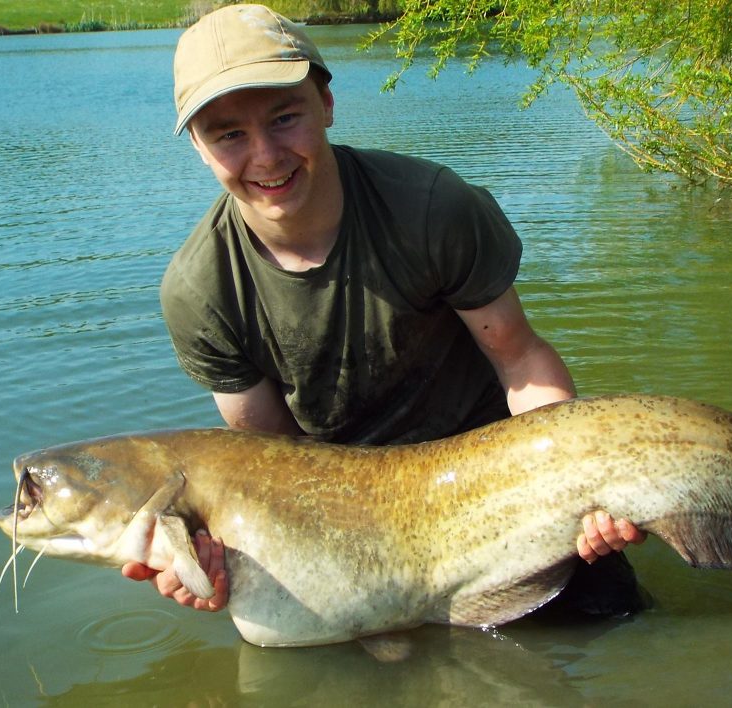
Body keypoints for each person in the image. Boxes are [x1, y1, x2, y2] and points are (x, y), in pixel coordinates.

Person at [122, 3, 646, 615]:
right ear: (199, 147)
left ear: (327, 106)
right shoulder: (199, 291)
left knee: (614, 621)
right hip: (343, 517)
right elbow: (267, 467)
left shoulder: (433, 209)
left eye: (285, 117)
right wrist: (208, 563)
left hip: (494, 486)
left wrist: (574, 485)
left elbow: (521, 359)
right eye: (229, 134)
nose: (265, 156)